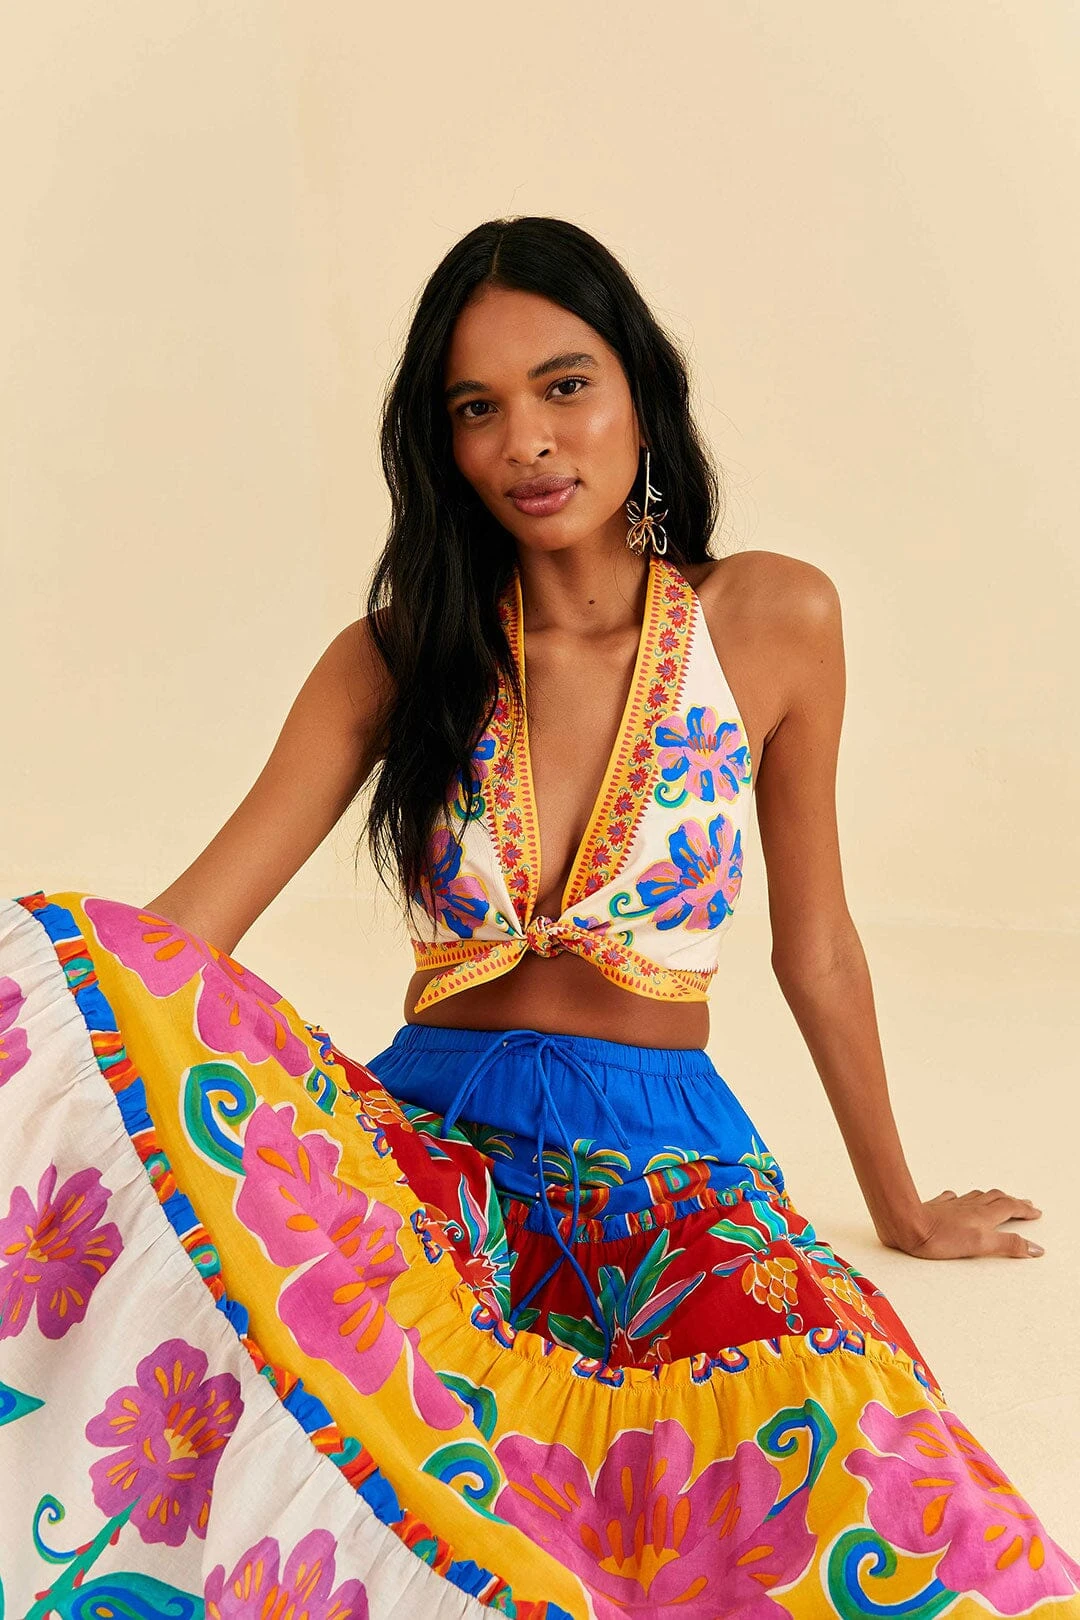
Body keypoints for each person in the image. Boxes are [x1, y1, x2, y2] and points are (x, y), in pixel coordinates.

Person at [1, 216, 1077, 1619]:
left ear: (641, 390)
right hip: (420, 1155)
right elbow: (184, 938)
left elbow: (814, 943)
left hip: (672, 1168)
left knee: (829, 1457)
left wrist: (902, 1208)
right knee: (376, 1444)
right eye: (478, 408)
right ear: (443, 445)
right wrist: (51, 1015)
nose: (529, 441)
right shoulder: (399, 656)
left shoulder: (772, 619)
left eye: (565, 386)